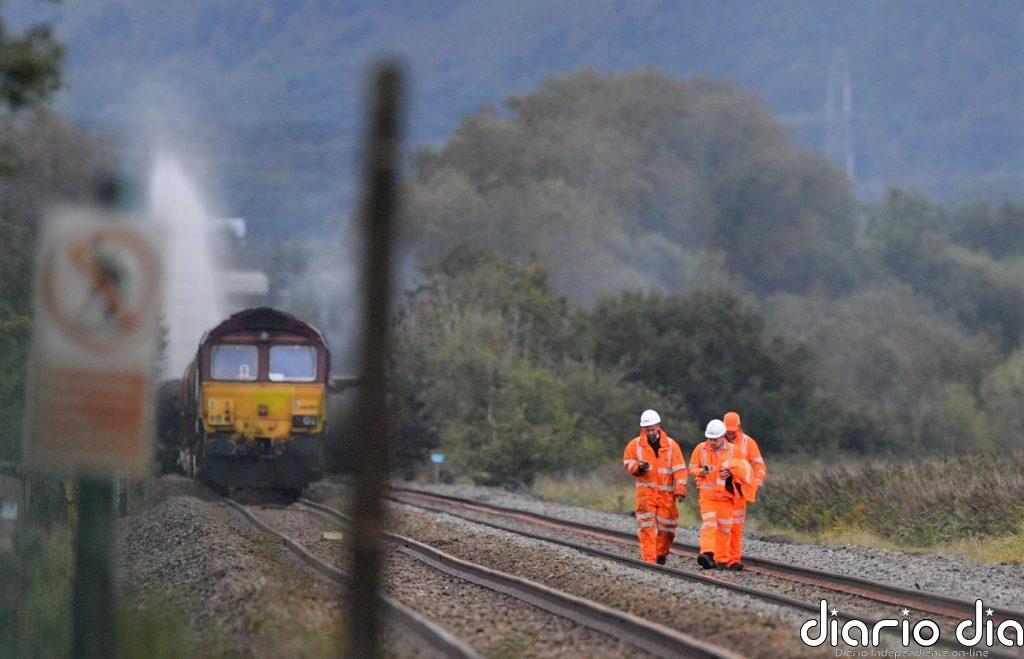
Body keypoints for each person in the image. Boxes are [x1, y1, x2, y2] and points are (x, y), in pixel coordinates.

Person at [622, 409, 687, 565]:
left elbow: (680, 469)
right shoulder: (635, 445)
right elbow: (628, 462)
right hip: (646, 495)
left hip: (667, 496)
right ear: (643, 429)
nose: (650, 433)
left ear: (658, 426)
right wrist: (638, 467)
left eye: (652, 429)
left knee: (669, 528)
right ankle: (649, 561)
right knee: (647, 528)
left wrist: (680, 490)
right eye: (647, 430)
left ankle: (660, 553)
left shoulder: (671, 446)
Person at [689, 419, 753, 569]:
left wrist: (731, 472)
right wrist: (699, 472)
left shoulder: (734, 450)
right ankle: (707, 553)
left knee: (725, 529)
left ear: (722, 436)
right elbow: (692, 467)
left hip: (726, 498)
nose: (712, 442)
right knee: (709, 524)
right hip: (707, 497)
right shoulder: (700, 449)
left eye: (715, 439)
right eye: (710, 438)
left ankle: (722, 561)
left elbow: (743, 470)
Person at [722, 411, 766, 570]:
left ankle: (733, 560)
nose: (730, 434)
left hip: (739, 493)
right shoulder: (717, 441)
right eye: (728, 431)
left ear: (739, 427)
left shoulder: (749, 443)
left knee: (736, 527)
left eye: (733, 431)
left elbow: (759, 466)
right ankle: (719, 557)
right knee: (720, 527)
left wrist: (757, 482)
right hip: (720, 493)